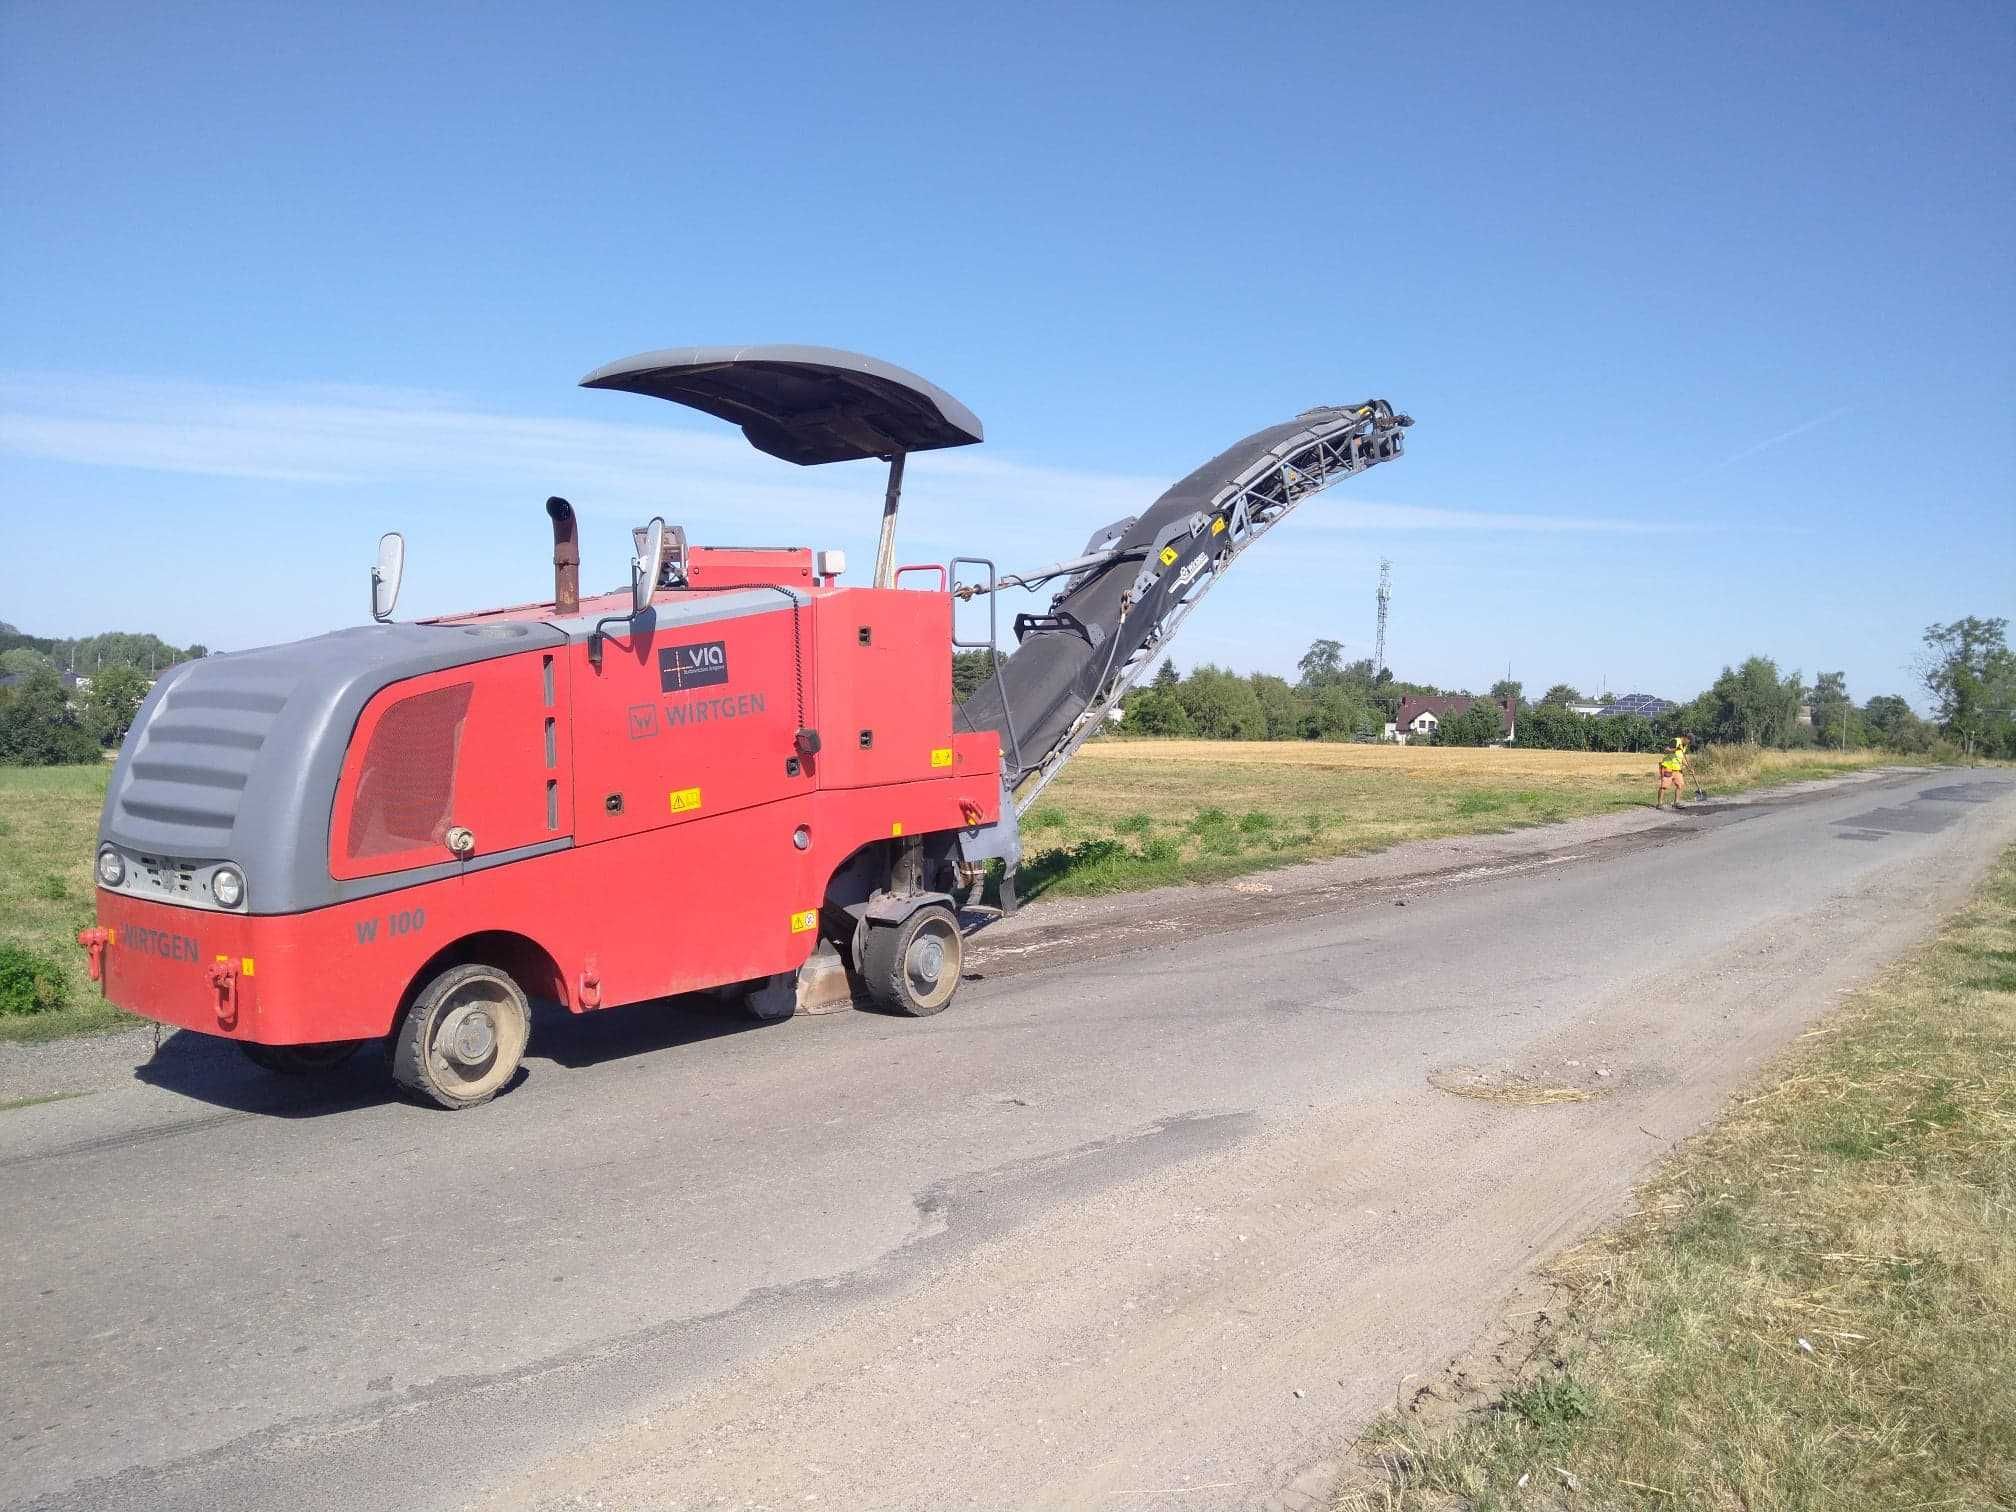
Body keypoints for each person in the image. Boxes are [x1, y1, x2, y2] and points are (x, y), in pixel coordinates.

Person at [1656, 734, 1690, 808]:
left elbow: (1681, 758)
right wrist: (1675, 749)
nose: (1689, 743)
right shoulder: (1675, 741)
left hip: (1677, 769)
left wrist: (1688, 767)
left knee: (1680, 785)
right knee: (1664, 786)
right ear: (1685, 738)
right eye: (1689, 741)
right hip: (1668, 767)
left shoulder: (1684, 746)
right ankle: (1659, 804)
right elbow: (1665, 750)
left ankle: (1676, 803)